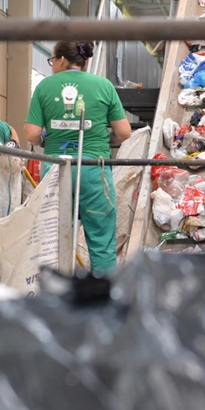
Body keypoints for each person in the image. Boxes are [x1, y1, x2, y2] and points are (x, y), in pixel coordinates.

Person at [23, 40, 131, 275]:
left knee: (56, 240)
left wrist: (46, 136)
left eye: (52, 61)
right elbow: (124, 132)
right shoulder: (103, 85)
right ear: (85, 61)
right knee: (101, 242)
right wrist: (102, 138)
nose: (52, 65)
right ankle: (106, 300)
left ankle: (58, 299)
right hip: (94, 170)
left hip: (55, 171)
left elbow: (31, 135)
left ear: (61, 59)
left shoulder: (45, 86)